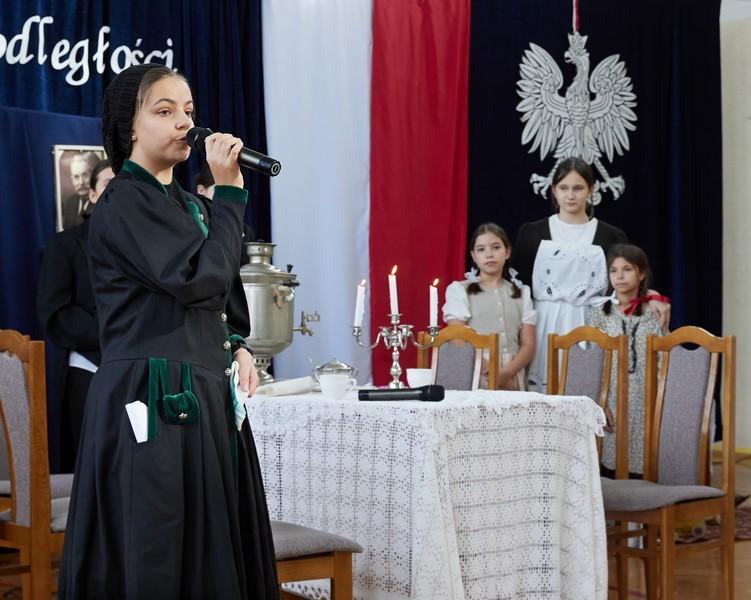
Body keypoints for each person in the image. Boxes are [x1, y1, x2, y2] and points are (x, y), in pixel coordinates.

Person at [58, 64, 278, 599]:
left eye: (189, 111)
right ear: (129, 128)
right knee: (158, 547)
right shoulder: (123, 199)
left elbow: (224, 300)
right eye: (164, 111)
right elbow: (198, 280)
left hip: (202, 391)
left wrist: (236, 346)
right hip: (152, 395)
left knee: (207, 552)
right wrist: (231, 196)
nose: (184, 123)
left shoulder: (193, 206)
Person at [512, 157, 670, 391]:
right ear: (554, 190)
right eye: (564, 188)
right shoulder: (531, 233)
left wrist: (651, 295)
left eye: (578, 188)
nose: (570, 195)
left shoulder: (611, 236)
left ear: (591, 189)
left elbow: (625, 280)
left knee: (588, 392)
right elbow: (517, 286)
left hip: (592, 322)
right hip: (542, 324)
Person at [37, 159, 115, 472]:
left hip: (141, 372)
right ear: (92, 194)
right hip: (88, 371)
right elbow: (55, 314)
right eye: (109, 184)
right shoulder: (63, 245)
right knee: (89, 467)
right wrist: (115, 333)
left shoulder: (149, 247)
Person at [589, 244, 665, 477]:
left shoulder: (655, 311)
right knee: (612, 458)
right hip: (612, 396)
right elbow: (593, 362)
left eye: (627, 269)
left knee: (645, 458)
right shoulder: (600, 314)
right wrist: (599, 402)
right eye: (614, 270)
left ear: (641, 274)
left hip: (647, 395)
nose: (619, 276)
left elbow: (664, 358)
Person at [443, 223, 536, 390]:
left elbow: (528, 343)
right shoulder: (459, 290)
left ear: (507, 252)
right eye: (481, 249)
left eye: (496, 247)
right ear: (473, 255)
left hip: (512, 374)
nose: (489, 254)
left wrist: (505, 374)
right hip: (476, 371)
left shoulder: (522, 293)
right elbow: (458, 338)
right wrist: (492, 372)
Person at [60, 152, 99, 229]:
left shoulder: (100, 202)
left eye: (85, 175)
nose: (81, 182)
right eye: (76, 177)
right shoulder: (70, 202)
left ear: (94, 176)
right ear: (72, 179)